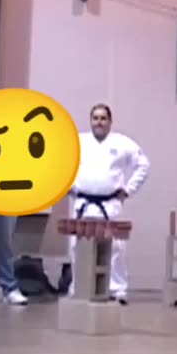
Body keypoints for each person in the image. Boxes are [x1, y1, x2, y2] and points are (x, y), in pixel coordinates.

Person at [63, 103, 150, 305]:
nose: (99, 122)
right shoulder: (78, 142)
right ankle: (78, 286)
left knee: (116, 248)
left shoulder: (122, 143)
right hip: (83, 202)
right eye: (95, 118)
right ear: (90, 120)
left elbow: (143, 165)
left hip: (110, 203)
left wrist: (128, 190)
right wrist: (67, 186)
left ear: (110, 121)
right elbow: (59, 163)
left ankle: (117, 290)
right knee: (77, 246)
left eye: (103, 118)